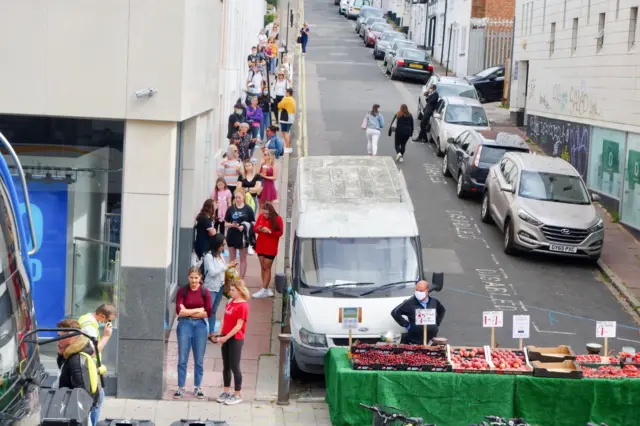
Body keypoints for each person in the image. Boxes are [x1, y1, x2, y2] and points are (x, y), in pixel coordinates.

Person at [174, 267, 212, 399]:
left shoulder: (204, 291)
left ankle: (197, 387)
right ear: (188, 277)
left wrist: (188, 310)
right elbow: (179, 311)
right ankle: (181, 387)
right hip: (184, 324)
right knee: (182, 358)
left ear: (200, 278)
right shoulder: (182, 291)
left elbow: (208, 312)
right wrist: (198, 309)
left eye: (196, 277)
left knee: (199, 359)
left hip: (200, 326)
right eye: (192, 277)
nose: (194, 280)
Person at [56, 319, 101, 424]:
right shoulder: (71, 354)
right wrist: (61, 354)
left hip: (76, 417)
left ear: (71, 337)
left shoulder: (76, 360)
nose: (57, 340)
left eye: (60, 337)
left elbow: (83, 395)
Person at [214, 279, 251, 405]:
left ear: (240, 291)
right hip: (225, 336)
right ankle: (226, 391)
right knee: (226, 365)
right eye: (230, 289)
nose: (230, 292)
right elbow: (224, 318)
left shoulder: (243, 305)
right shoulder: (230, 302)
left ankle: (237, 393)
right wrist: (220, 334)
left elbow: (238, 326)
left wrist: (226, 337)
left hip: (235, 339)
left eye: (232, 290)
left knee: (235, 365)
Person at [78, 304, 116, 425]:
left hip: (88, 365)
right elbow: (93, 351)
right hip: (89, 367)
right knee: (97, 400)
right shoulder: (90, 328)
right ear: (101, 316)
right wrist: (106, 336)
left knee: (98, 398)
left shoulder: (86, 318)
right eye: (108, 320)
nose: (109, 323)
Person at [204, 234, 237, 342]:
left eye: (224, 245)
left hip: (220, 286)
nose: (223, 248)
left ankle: (211, 333)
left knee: (213, 311)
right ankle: (199, 331)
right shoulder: (209, 256)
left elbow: (222, 269)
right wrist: (226, 267)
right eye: (222, 245)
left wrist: (230, 266)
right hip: (211, 288)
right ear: (216, 244)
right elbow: (212, 272)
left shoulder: (220, 255)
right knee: (206, 311)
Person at [391, 280, 446, 345]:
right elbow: (395, 312)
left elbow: (442, 310)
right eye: (417, 290)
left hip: (431, 340)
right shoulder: (409, 303)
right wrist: (407, 325)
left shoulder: (434, 301)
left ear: (427, 291)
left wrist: (436, 323)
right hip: (414, 341)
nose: (418, 292)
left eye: (421, 291)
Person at [253, 202, 284, 298]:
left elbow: (280, 232)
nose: (265, 215)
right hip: (261, 245)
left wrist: (269, 231)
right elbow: (255, 228)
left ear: (271, 212)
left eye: (267, 214)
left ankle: (264, 289)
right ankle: (265, 287)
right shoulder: (261, 217)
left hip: (271, 247)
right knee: (263, 266)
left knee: (267, 267)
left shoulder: (277, 219)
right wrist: (259, 229)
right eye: (264, 213)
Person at [225, 188, 256, 279]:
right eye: (236, 197)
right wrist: (232, 225)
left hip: (243, 237)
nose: (237, 199)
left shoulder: (248, 209)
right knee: (232, 259)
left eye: (239, 197)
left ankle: (241, 280)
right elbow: (225, 223)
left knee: (243, 259)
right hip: (232, 235)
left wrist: (244, 226)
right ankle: (232, 279)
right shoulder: (231, 208)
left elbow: (253, 223)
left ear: (243, 197)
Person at [278, 88, 296, 154]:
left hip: (285, 119)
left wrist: (282, 100)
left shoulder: (286, 99)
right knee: (287, 133)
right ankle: (288, 147)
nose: (285, 94)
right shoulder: (292, 99)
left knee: (285, 133)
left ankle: (287, 147)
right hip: (290, 119)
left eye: (286, 92)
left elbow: (279, 105)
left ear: (288, 93)